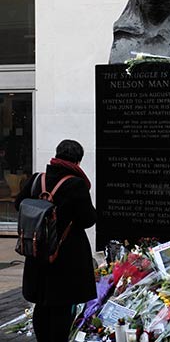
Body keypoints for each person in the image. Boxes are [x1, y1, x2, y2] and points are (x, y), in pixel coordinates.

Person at [15, 139, 97, 342]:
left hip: (37, 249)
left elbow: (19, 204)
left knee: (42, 304)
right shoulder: (76, 184)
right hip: (65, 255)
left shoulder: (37, 180)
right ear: (78, 161)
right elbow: (87, 219)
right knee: (61, 306)